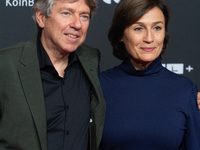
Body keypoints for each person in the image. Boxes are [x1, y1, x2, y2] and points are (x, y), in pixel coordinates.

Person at [0, 0, 106, 150]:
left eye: (84, 16)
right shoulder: (6, 64)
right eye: (66, 13)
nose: (77, 24)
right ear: (41, 17)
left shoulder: (91, 60)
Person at [99, 0, 200, 149]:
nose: (149, 38)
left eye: (157, 28)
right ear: (121, 34)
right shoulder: (99, 86)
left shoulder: (185, 90)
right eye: (139, 28)